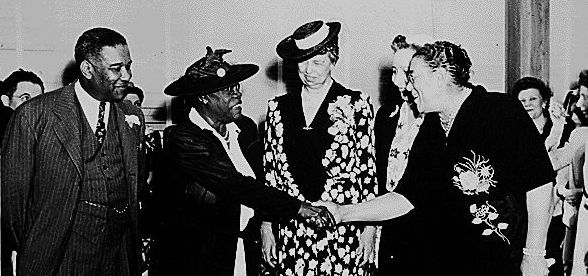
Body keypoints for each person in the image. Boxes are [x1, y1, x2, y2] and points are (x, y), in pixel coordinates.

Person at [319, 41, 555, 276]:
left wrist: (534, 255)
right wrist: (343, 212)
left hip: (501, 260)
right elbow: (407, 196)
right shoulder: (432, 125)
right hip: (451, 261)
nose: (408, 87)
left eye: (414, 77)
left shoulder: (499, 110)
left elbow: (540, 183)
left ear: (440, 76)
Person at [151, 46, 335, 276]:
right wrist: (298, 207)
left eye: (236, 87)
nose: (237, 94)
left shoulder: (244, 128)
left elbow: (265, 178)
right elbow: (236, 184)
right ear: (204, 97)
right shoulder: (183, 138)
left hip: (239, 251)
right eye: (228, 90)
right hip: (196, 257)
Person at [1, 27, 145, 275]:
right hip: (59, 254)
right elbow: (12, 202)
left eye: (129, 66)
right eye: (116, 68)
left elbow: (136, 181)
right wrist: (39, 244)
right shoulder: (34, 115)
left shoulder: (132, 115)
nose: (127, 75)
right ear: (87, 69)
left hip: (118, 253)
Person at [261, 20, 378, 276]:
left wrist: (370, 228)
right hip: (291, 227)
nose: (308, 70)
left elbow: (368, 172)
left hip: (342, 225)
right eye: (302, 62)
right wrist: (267, 225)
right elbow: (270, 174)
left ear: (332, 59)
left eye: (317, 62)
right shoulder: (276, 108)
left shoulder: (356, 104)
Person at [374, 34, 428, 274]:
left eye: (406, 73)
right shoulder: (386, 116)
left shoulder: (438, 117)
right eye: (394, 72)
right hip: (393, 230)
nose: (398, 82)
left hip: (429, 231)